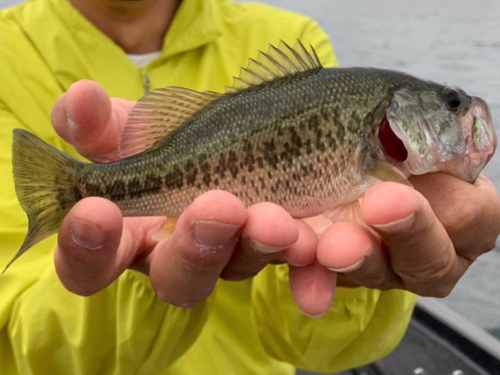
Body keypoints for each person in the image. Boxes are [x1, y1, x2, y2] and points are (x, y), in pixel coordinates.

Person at [0, 0, 499, 374]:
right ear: (393, 113)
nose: (459, 112)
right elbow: (26, 338)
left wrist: (365, 273)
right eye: (451, 104)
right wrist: (139, 279)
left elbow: (314, 341)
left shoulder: (292, 32)